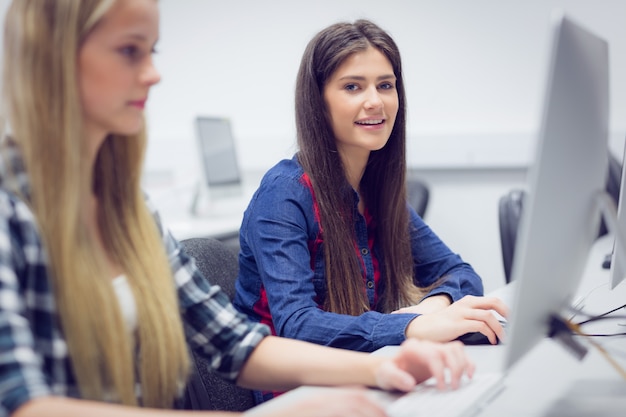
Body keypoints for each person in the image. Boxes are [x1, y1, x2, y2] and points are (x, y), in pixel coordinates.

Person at [0, 1, 478, 416]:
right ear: (54, 58)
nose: (153, 73)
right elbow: (25, 405)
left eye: (153, 51)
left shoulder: (130, 209)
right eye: (130, 51)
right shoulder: (11, 211)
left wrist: (385, 363)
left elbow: (236, 344)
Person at [233, 19, 508, 402]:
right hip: (297, 395)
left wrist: (432, 310)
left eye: (385, 85)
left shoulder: (376, 189)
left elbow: (458, 272)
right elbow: (298, 325)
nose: (375, 101)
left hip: (371, 374)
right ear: (318, 101)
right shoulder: (284, 195)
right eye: (352, 86)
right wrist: (411, 328)